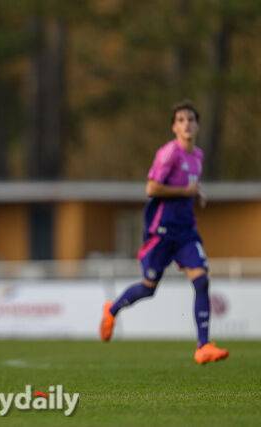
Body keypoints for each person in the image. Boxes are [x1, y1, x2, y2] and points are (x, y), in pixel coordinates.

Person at [99, 101, 228, 365]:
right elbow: (152, 188)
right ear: (174, 127)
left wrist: (196, 194)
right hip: (161, 231)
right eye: (181, 120)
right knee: (148, 288)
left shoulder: (198, 156)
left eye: (191, 119)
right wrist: (185, 192)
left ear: (198, 125)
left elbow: (189, 185)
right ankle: (112, 310)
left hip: (186, 231)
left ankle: (203, 346)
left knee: (202, 280)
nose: (186, 124)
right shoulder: (169, 154)